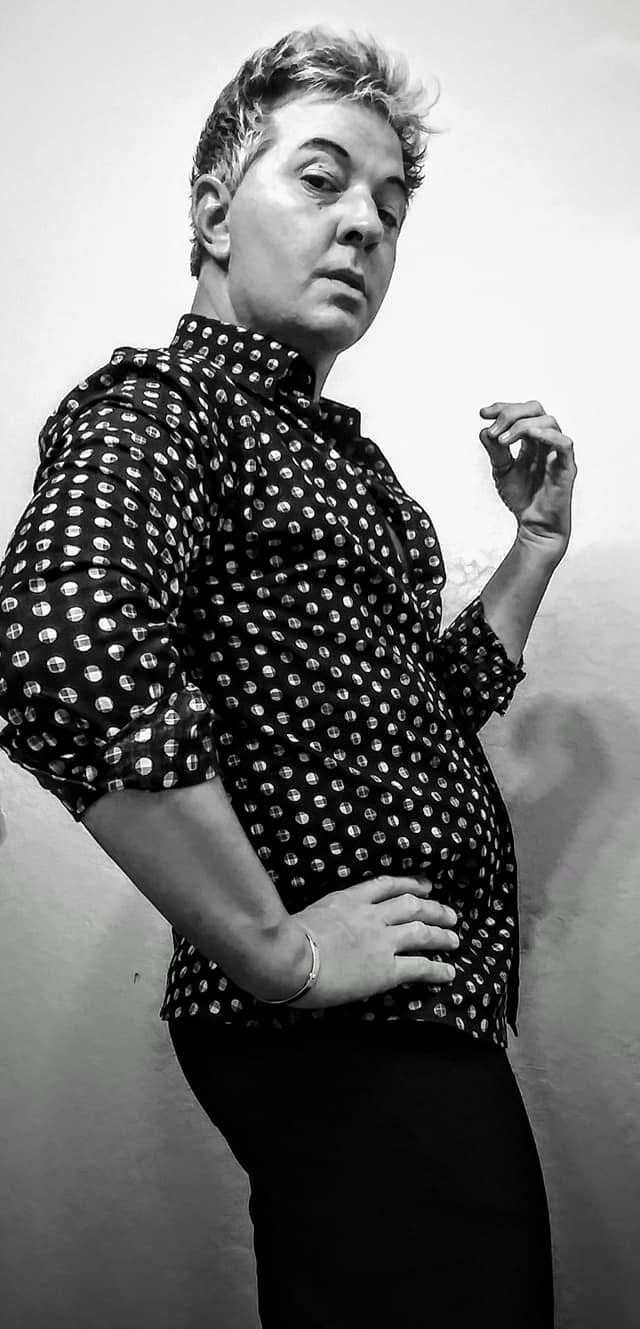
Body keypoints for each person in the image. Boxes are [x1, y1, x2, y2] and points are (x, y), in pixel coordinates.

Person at [0, 25, 577, 1329]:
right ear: (215, 212)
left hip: (406, 1014)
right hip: (338, 1028)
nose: (365, 223)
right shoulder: (167, 407)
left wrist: (534, 546)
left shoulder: (334, 463)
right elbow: (57, 642)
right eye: (321, 179)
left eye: (390, 204)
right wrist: (283, 953)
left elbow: (413, 716)